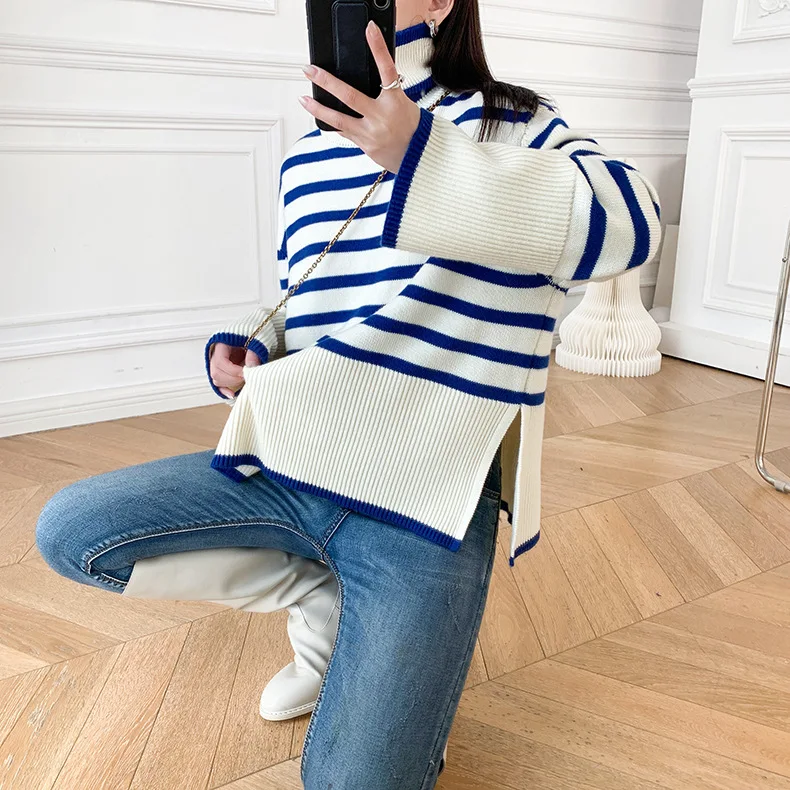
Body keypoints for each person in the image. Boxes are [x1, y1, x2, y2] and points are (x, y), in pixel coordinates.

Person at [35, 1, 662, 788]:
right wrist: (254, 343)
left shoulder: (512, 124)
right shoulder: (306, 158)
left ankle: (354, 625)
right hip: (296, 456)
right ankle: (325, 601)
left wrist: (423, 155)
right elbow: (304, 297)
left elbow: (635, 224)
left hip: (428, 494)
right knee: (73, 531)